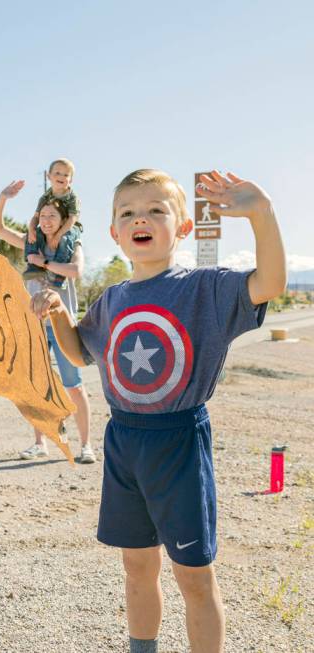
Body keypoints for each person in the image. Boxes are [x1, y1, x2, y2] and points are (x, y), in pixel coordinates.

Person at [31, 169, 286, 653]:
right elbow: (81, 353)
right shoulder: (112, 299)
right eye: (127, 212)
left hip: (179, 441)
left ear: (183, 227)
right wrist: (59, 315)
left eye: (155, 210)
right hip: (124, 441)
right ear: (114, 232)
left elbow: (270, 281)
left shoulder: (203, 290)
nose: (140, 219)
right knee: (137, 569)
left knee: (194, 577)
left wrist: (262, 213)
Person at [0, 180, 95, 463]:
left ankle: (86, 445)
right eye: (43, 216)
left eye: (53, 216)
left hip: (62, 327)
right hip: (34, 326)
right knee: (36, 385)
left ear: (62, 221)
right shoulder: (30, 243)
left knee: (73, 385)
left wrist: (45, 263)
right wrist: (3, 197)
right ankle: (40, 443)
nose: (46, 220)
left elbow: (76, 270)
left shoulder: (72, 243)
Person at [24, 158, 82, 287]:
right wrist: (31, 229)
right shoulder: (45, 197)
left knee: (65, 239)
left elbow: (72, 219)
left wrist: (58, 235)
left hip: (69, 227)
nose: (61, 176)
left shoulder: (72, 197)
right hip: (52, 227)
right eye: (57, 173)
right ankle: (33, 265)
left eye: (66, 175)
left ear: (71, 180)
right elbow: (36, 216)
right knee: (34, 235)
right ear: (48, 176)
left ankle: (59, 276)